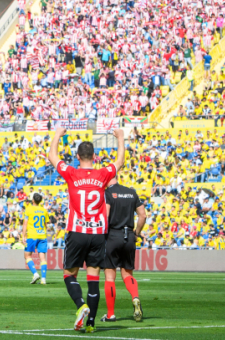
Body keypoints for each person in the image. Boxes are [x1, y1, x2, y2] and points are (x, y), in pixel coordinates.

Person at [48, 127, 125, 333]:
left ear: (77, 156)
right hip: (97, 233)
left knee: (69, 275)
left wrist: (57, 134)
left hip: (77, 231)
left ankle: (81, 305)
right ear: (95, 156)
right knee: (93, 279)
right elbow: (120, 162)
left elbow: (52, 156)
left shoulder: (72, 173)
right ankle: (90, 324)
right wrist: (121, 138)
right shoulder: (102, 174)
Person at [101, 177, 147, 323]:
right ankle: (135, 297)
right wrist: (137, 233)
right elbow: (143, 215)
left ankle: (111, 314)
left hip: (112, 236)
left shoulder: (107, 193)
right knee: (127, 273)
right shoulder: (131, 193)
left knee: (110, 276)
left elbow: (106, 215)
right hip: (129, 236)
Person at [22, 192, 49, 285]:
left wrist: (23, 236)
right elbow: (46, 225)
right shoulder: (44, 210)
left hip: (32, 236)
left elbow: (25, 223)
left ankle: (35, 274)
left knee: (27, 256)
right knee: (43, 258)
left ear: (33, 200)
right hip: (42, 236)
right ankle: (44, 279)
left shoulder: (29, 209)